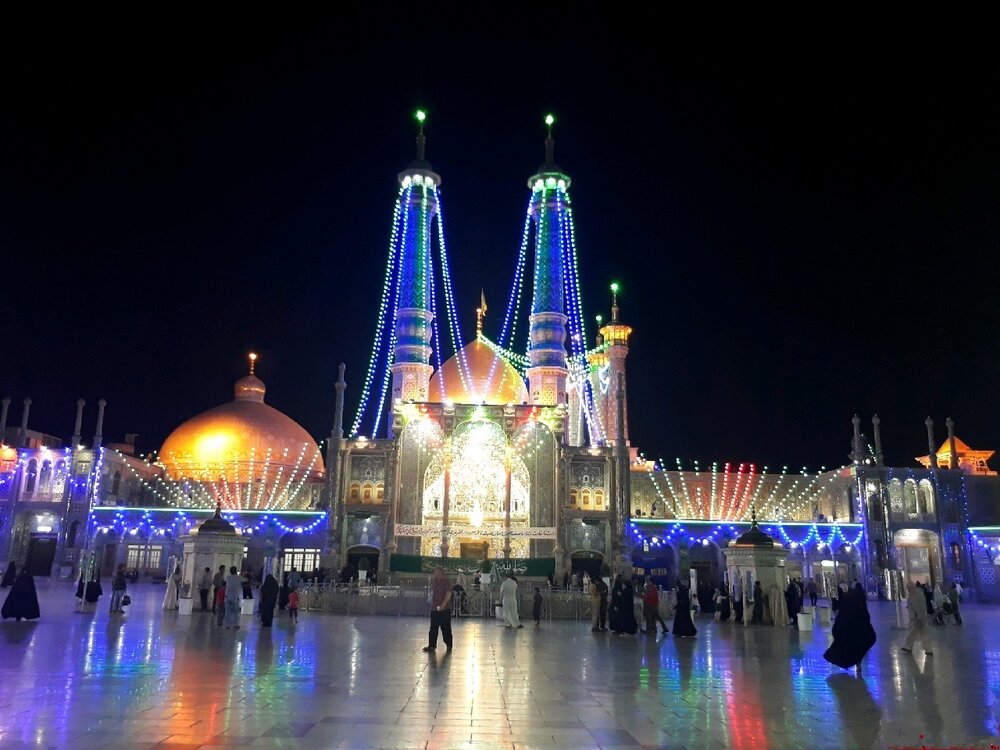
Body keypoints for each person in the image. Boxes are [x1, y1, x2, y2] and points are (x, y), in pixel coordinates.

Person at [823, 582, 876, 674]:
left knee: (848, 647)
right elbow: (866, 620)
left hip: (848, 632)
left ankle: (855, 662)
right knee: (858, 648)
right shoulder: (861, 607)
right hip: (861, 632)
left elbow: (840, 621)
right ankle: (858, 663)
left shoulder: (846, 604)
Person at [423, 567, 453, 652]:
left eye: (436, 572)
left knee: (445, 628)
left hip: (444, 609)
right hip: (434, 608)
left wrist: (444, 604)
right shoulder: (435, 582)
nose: (435, 574)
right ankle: (432, 645)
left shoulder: (446, 582)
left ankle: (448, 643)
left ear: (440, 573)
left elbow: (448, 593)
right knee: (433, 627)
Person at [901, 581, 933, 656]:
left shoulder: (914, 595)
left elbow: (918, 607)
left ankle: (908, 647)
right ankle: (928, 649)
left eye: (908, 588)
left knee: (912, 633)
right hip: (920, 618)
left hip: (916, 618)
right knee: (923, 634)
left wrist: (918, 617)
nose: (908, 590)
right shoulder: (918, 594)